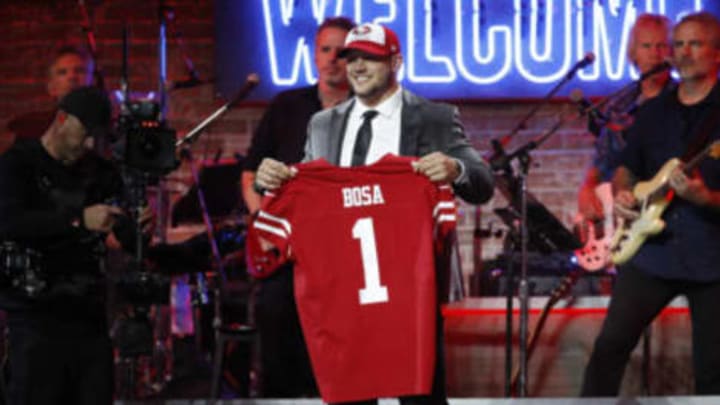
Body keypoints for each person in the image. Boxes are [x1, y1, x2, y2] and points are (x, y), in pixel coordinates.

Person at [255, 22, 494, 404]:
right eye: (351, 57)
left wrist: (455, 169)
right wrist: (272, 179)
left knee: (419, 396)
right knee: (351, 394)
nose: (357, 66)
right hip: (343, 285)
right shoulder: (323, 123)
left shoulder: (433, 117)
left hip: (411, 284)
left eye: (370, 57)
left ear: (396, 62)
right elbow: (304, 182)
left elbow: (483, 182)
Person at [580, 11, 720, 396]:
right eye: (679, 44)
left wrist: (704, 197)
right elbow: (628, 167)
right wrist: (625, 193)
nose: (684, 52)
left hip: (712, 257)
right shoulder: (655, 111)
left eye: (696, 43)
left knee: (712, 369)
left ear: (717, 53)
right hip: (651, 253)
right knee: (609, 349)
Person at [0, 86, 143, 404]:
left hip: (89, 320)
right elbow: (10, 224)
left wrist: (137, 227)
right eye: (85, 133)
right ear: (61, 119)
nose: (90, 144)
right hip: (35, 319)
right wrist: (78, 219)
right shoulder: (17, 164)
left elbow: (128, 243)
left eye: (98, 137)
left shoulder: (100, 173)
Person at [241, 16, 356, 397]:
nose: (332, 60)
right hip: (287, 251)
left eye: (342, 52)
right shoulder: (287, 106)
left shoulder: (371, 112)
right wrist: (264, 225)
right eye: (325, 50)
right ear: (314, 53)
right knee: (277, 324)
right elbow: (250, 173)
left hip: (345, 254)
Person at [576, 13, 673, 225]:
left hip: (667, 207)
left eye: (661, 46)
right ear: (634, 53)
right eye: (646, 46)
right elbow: (601, 161)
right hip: (621, 211)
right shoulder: (618, 105)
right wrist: (587, 188)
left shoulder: (681, 99)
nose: (654, 54)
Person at [1, 46, 94, 153]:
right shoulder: (33, 128)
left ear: (92, 81)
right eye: (62, 72)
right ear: (52, 88)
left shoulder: (104, 127)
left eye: (80, 70)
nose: (72, 77)